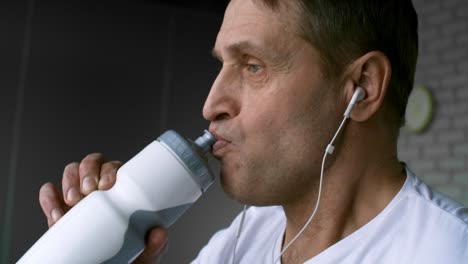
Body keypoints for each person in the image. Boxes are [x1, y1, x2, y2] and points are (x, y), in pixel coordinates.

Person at [39, 0, 468, 263]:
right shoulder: (237, 243)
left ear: (362, 88)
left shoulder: (448, 252)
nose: (211, 105)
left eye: (253, 66)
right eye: (221, 65)